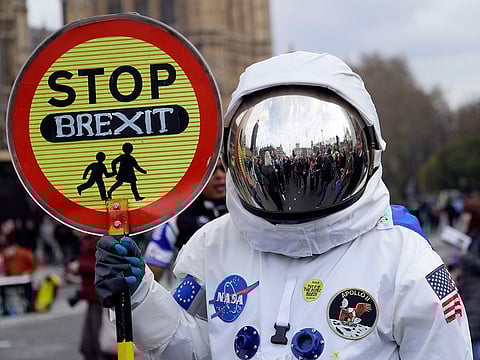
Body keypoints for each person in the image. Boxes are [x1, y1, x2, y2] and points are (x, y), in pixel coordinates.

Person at [95, 52, 472, 359]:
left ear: (366, 149)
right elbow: (193, 348)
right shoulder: (214, 245)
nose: (291, 181)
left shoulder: (403, 257)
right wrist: (140, 297)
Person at [143, 160, 227, 284]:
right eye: (213, 169)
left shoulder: (243, 211)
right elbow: (153, 274)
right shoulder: (177, 215)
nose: (219, 175)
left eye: (223, 168)